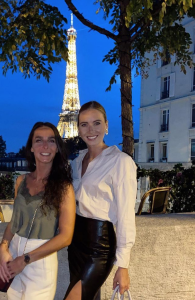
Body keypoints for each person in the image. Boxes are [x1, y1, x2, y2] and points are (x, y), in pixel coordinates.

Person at [64, 101, 137, 300]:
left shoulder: (120, 162)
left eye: (96, 123)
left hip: (99, 246)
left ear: (106, 125)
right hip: (76, 244)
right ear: (78, 128)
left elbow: (125, 215)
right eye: (84, 124)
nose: (90, 130)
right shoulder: (77, 162)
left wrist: (123, 265)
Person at [0, 122, 76, 300]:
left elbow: (66, 237)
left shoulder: (64, 187)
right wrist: (2, 247)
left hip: (40, 259)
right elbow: (15, 222)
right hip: (14, 254)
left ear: (57, 148)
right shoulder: (21, 181)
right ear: (31, 147)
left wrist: (25, 260)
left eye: (51, 141)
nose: (45, 146)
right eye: (39, 140)